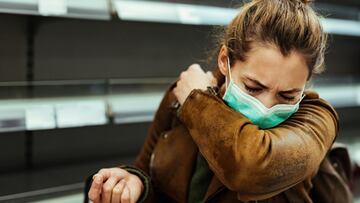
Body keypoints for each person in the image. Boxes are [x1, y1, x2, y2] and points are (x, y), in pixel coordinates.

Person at [88, 0, 342, 202]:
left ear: (306, 84)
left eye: (287, 95)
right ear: (225, 60)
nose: (266, 107)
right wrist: (136, 186)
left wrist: (197, 102)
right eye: (253, 87)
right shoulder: (179, 99)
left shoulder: (316, 121)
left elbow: (249, 169)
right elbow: (148, 172)